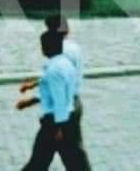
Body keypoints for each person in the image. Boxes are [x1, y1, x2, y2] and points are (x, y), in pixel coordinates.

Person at [17, 31, 90, 171]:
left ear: (46, 48)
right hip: (73, 109)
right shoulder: (64, 63)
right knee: (74, 159)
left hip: (57, 121)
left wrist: (58, 128)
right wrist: (33, 85)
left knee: (39, 161)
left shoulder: (54, 69)